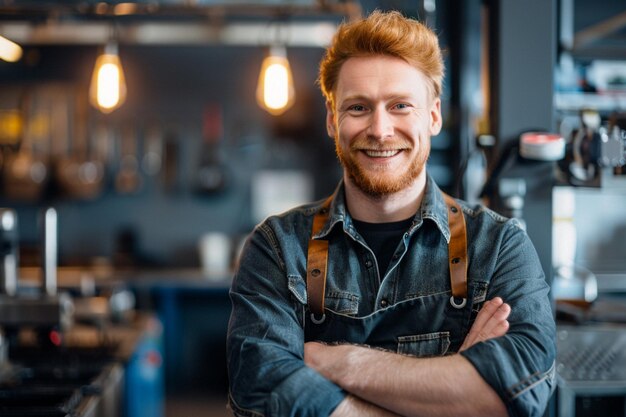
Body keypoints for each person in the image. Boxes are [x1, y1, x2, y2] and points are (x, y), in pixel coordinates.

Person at [227, 10, 555, 417]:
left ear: (433, 116)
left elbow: (522, 391)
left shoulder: (498, 246)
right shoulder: (278, 247)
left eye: (400, 105)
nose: (380, 130)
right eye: (359, 108)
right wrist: (454, 391)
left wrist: (336, 362)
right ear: (333, 120)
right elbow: (261, 393)